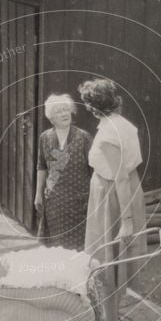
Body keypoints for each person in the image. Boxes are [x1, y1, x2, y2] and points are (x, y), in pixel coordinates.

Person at [79, 78, 147, 321]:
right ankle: (112, 317)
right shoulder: (123, 124)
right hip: (128, 189)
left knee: (104, 257)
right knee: (113, 257)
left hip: (113, 197)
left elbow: (118, 177)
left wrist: (127, 222)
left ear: (92, 107)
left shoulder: (108, 134)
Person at [35, 94, 93, 251]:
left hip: (79, 202)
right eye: (59, 111)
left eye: (66, 109)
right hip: (54, 202)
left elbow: (94, 169)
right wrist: (38, 194)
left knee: (78, 247)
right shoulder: (45, 137)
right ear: (51, 117)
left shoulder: (83, 137)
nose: (64, 114)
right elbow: (41, 166)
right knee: (56, 246)